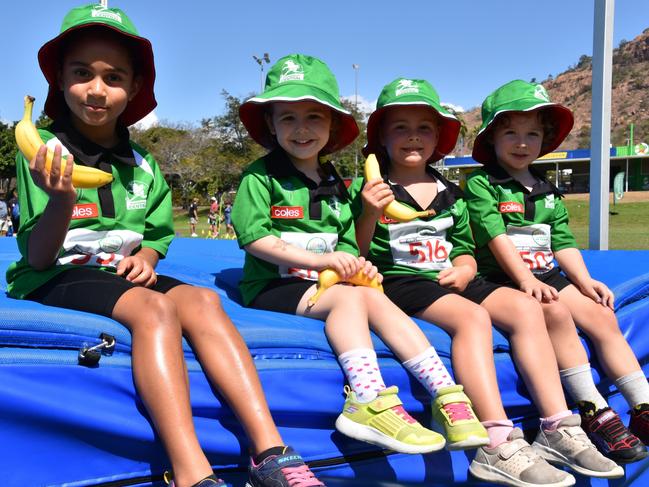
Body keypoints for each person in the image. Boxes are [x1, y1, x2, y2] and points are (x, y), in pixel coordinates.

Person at [5, 5, 323, 487]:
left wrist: (148, 258)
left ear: (133, 88)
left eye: (113, 77)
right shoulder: (44, 153)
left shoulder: (144, 163)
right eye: (82, 73)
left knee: (202, 299)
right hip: (57, 272)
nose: (96, 89)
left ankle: (272, 451)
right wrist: (61, 201)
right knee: (155, 311)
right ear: (59, 78)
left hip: (117, 271)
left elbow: (155, 235)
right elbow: (38, 256)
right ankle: (192, 470)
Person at [351, 78, 623, 485]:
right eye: (400, 127)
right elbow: (354, 248)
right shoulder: (369, 189)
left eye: (424, 128)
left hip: (453, 277)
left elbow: (463, 247)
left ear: (439, 138)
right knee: (472, 319)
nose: (413, 137)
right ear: (382, 138)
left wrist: (463, 268)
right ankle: (496, 440)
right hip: (401, 280)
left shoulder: (450, 191)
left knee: (530, 307)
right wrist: (370, 212)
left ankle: (557, 426)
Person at [233, 54, 487, 456]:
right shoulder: (259, 176)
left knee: (374, 294)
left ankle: (446, 395)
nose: (302, 129)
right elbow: (254, 238)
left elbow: (348, 241)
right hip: (274, 284)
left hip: (324, 281)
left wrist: (356, 263)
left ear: (331, 125)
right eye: (288, 119)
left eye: (314, 117)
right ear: (270, 125)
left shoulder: (335, 179)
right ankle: (367, 399)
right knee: (350, 298)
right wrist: (324, 263)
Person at [465, 79, 649, 463]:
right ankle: (593, 410)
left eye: (532, 134)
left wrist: (585, 282)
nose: (521, 143)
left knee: (600, 314)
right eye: (511, 133)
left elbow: (562, 242)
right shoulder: (483, 184)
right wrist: (525, 280)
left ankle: (643, 407)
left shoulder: (546, 188)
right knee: (554, 312)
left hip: (543, 274)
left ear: (544, 140)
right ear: (492, 139)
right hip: (502, 278)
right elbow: (495, 236)